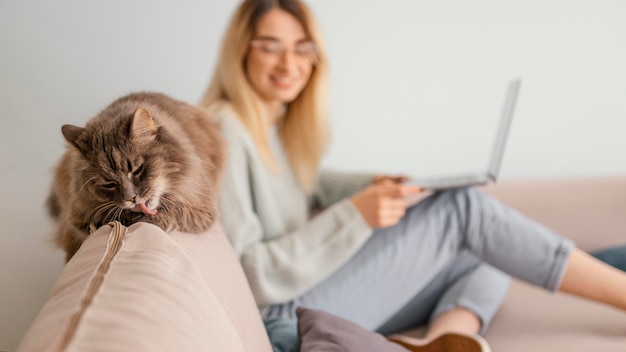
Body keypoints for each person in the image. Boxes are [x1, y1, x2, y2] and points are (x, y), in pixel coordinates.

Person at [200, 0, 626, 350]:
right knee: (464, 210)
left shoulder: (271, 132)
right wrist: (357, 214)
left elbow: (306, 182)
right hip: (282, 311)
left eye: (302, 47)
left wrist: (376, 184)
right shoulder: (223, 130)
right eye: (270, 46)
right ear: (241, 51)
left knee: (488, 247)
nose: (289, 62)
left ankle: (443, 341)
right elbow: (249, 274)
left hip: (308, 292)